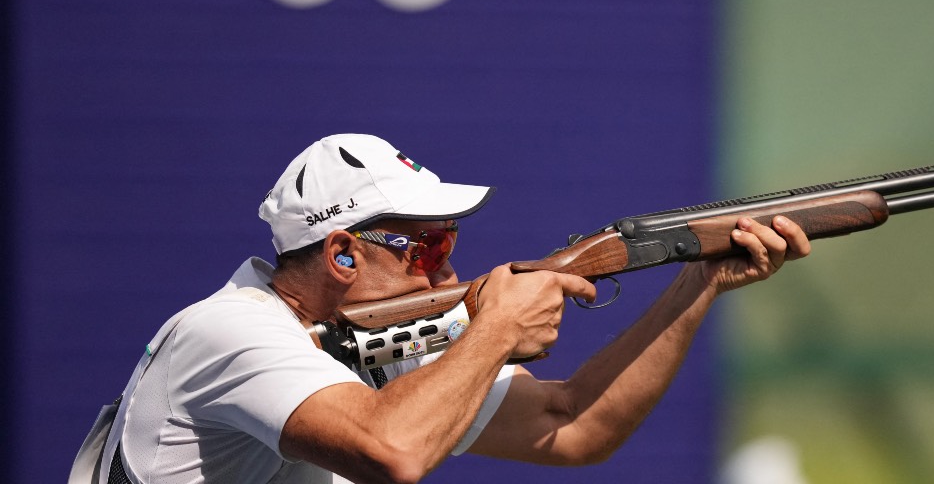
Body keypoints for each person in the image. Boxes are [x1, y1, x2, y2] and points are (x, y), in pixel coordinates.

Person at [89, 133, 811, 484]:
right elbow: (392, 451)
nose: (450, 267)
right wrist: (494, 328)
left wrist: (699, 285)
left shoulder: (354, 345)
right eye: (426, 248)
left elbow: (576, 426)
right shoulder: (229, 330)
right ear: (342, 254)